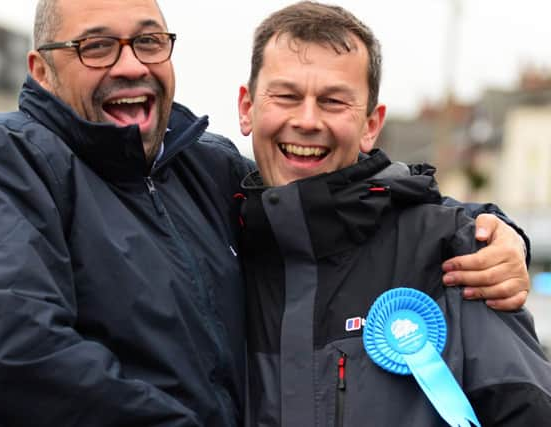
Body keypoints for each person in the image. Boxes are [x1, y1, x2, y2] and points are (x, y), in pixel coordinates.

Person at [0, 0, 531, 426]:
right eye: (96, 46)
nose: (130, 63)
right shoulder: (7, 158)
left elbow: (331, 196)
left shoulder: (201, 168)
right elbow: (11, 353)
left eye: (149, 40)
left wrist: (484, 229)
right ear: (42, 70)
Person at [236, 2, 551, 426]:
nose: (307, 120)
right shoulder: (215, 247)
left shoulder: (456, 257)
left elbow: (526, 411)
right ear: (246, 108)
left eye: (332, 101)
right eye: (286, 96)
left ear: (371, 125)